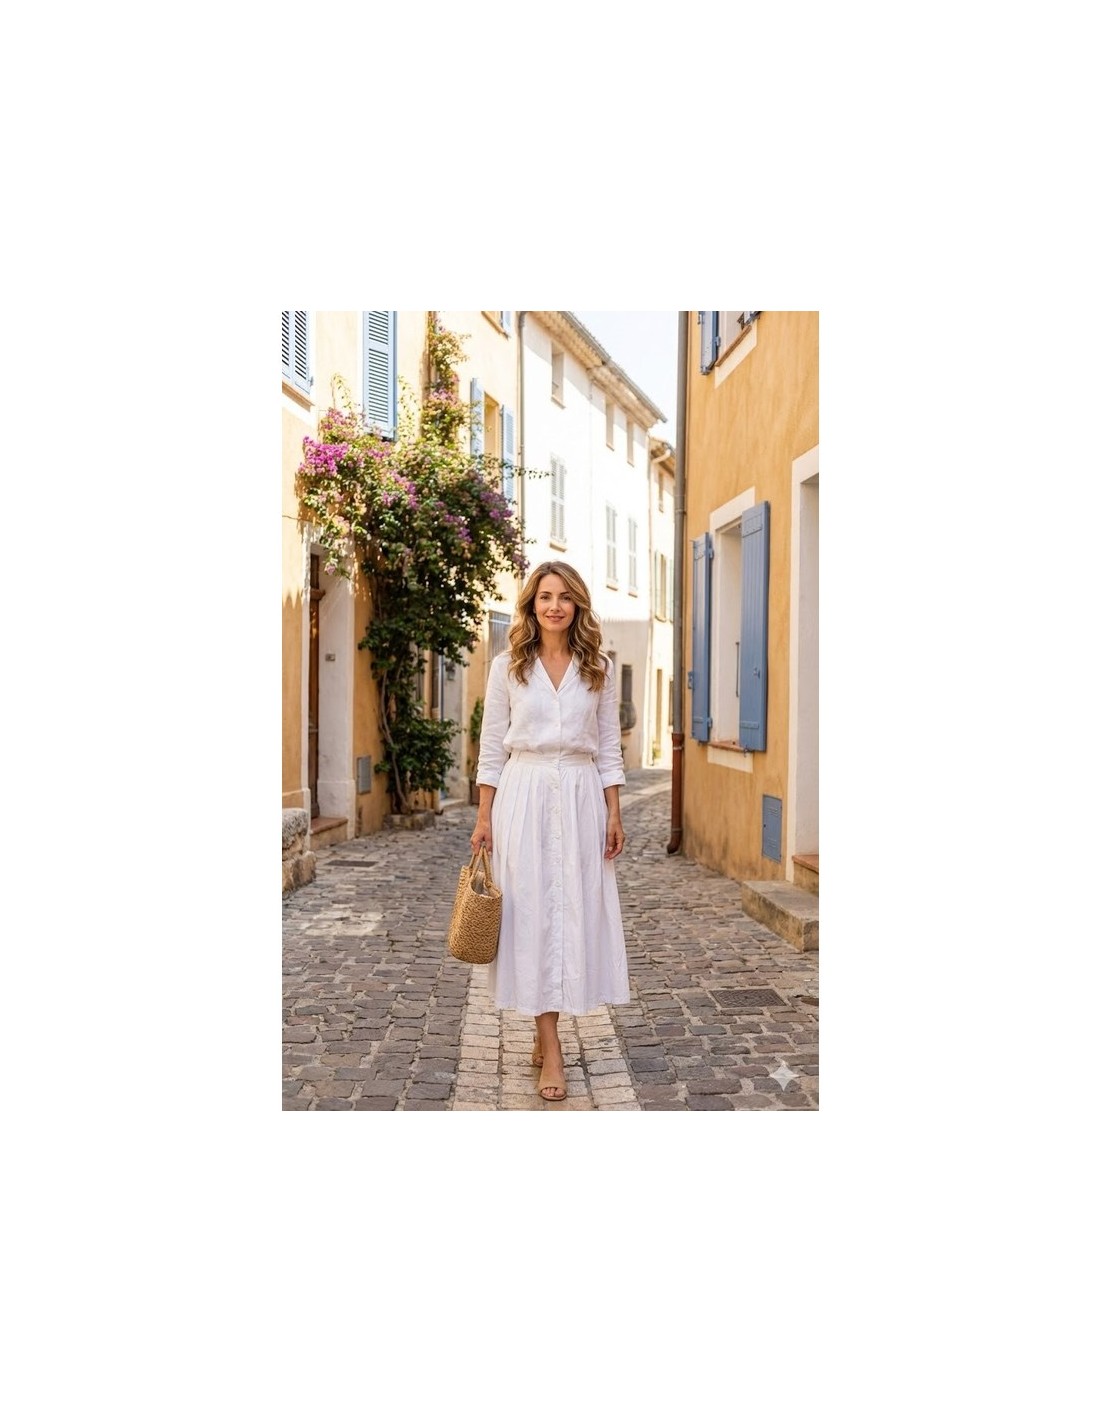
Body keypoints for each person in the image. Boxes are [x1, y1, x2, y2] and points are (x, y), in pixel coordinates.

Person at [471, 561, 629, 1103]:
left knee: (571, 912)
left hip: (582, 797)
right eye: (545, 597)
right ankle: (552, 1044)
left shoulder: (598, 667)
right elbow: (491, 747)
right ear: (532, 605)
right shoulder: (507, 667)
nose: (554, 606)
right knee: (534, 915)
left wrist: (614, 811)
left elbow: (608, 747)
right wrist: (484, 816)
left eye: (564, 597)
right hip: (524, 795)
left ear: (577, 604)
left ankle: (548, 1029)